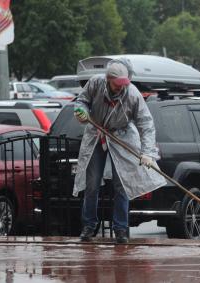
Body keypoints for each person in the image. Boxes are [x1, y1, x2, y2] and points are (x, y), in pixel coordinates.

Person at [73, 59, 166, 243]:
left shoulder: (132, 94)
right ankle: (89, 226)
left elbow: (146, 124)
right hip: (96, 135)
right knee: (91, 184)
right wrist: (81, 111)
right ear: (108, 80)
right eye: (117, 85)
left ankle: (121, 228)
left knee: (121, 185)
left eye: (124, 84)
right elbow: (81, 101)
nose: (121, 88)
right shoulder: (95, 83)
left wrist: (147, 152)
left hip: (121, 138)